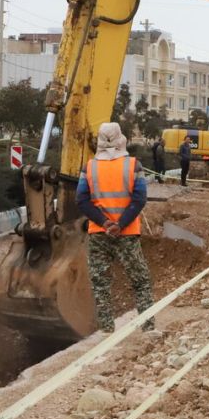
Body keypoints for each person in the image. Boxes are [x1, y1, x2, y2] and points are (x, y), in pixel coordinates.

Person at [75, 122, 154, 333]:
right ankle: (148, 328)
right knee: (140, 281)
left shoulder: (89, 167)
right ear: (121, 139)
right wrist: (120, 224)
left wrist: (104, 223)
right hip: (126, 234)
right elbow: (139, 199)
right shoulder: (133, 165)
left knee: (101, 284)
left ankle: (106, 331)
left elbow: (81, 200)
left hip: (99, 234)